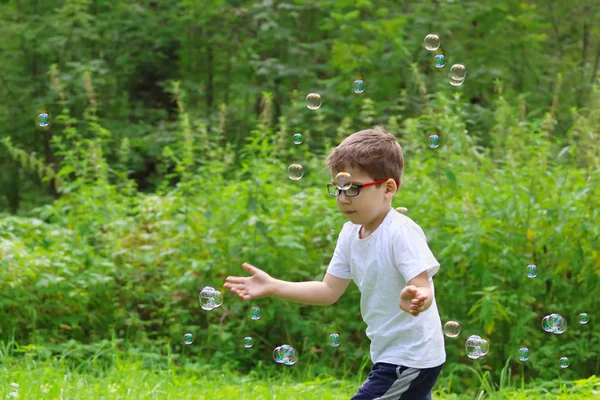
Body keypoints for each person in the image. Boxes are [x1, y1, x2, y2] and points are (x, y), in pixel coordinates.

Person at [224, 126, 445, 400]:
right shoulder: (350, 232)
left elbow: (423, 286)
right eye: (338, 189)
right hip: (388, 351)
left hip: (411, 356)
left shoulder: (401, 232)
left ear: (388, 187)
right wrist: (273, 286)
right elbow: (328, 291)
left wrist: (415, 296)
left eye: (352, 189)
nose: (342, 199)